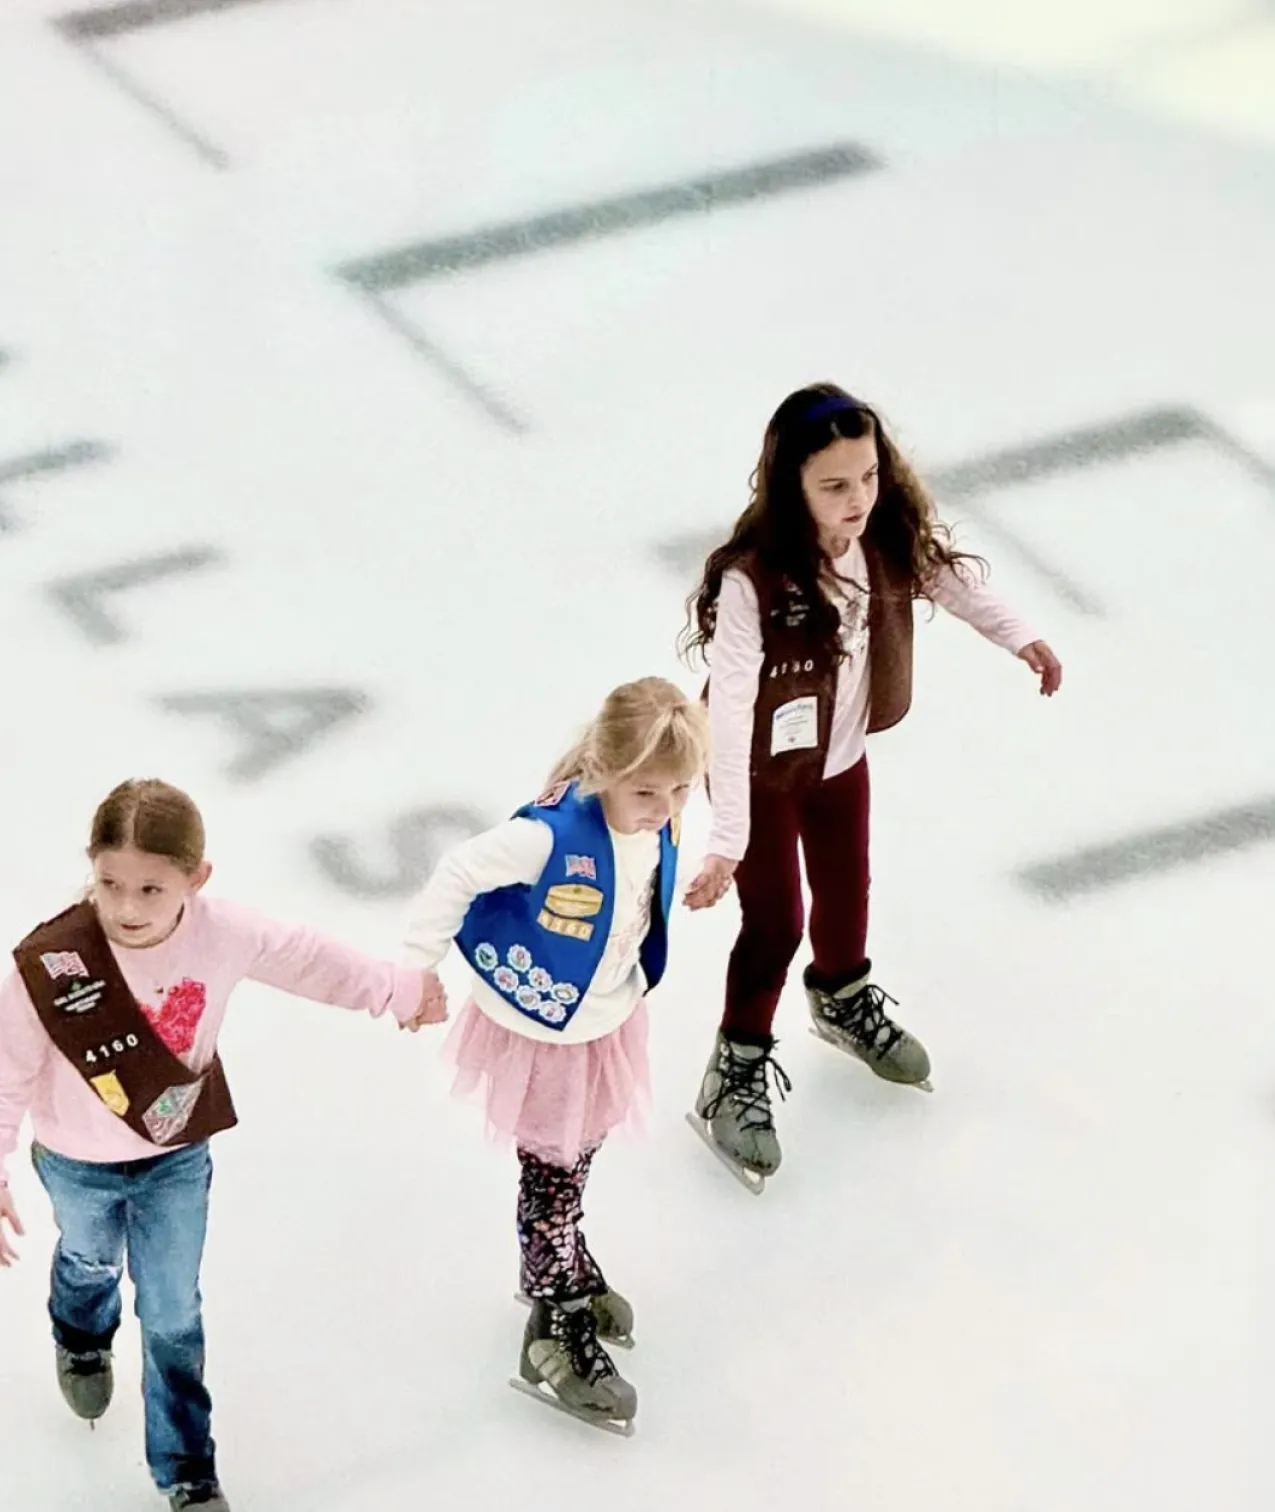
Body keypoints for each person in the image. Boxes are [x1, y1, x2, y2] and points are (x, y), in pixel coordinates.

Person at [0, 778, 447, 1511]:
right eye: (110, 883)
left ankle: (186, 1469)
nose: (127, 907)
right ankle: (80, 1334)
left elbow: (308, 959)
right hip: (76, 1163)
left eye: (151, 888)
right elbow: (6, 1070)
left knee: (173, 1310)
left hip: (175, 1157)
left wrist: (396, 990)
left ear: (196, 878)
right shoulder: (51, 967)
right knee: (88, 1259)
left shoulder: (222, 933)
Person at [680, 383, 1062, 1190]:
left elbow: (952, 582)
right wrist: (727, 838)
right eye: (834, 485)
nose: (856, 499)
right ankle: (733, 1070)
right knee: (775, 922)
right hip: (757, 773)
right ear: (790, 486)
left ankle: (840, 996)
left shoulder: (883, 538)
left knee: (846, 888)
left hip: (838, 760)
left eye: (867, 477)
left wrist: (1020, 637)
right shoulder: (752, 582)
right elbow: (730, 711)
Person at [402, 676, 708, 1435]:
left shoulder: (655, 821)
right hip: (543, 1033)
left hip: (602, 1019)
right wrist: (417, 968)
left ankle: (564, 1259)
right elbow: (457, 872)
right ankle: (552, 1315)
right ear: (604, 772)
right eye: (646, 792)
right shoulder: (548, 836)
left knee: (576, 1157)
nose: (664, 808)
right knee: (550, 1174)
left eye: (678, 791)